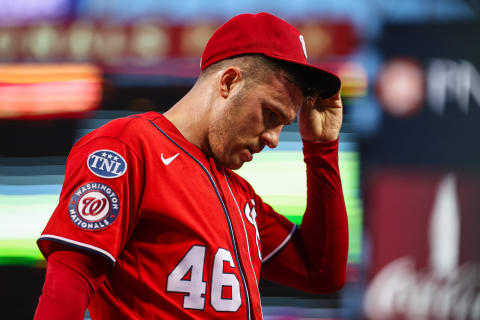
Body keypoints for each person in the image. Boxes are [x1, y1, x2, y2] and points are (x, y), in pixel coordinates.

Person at [34, 12, 348, 319]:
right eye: (271, 114)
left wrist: (322, 149)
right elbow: (70, 284)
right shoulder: (128, 147)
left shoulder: (240, 195)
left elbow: (322, 273)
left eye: (284, 124)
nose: (274, 138)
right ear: (229, 82)